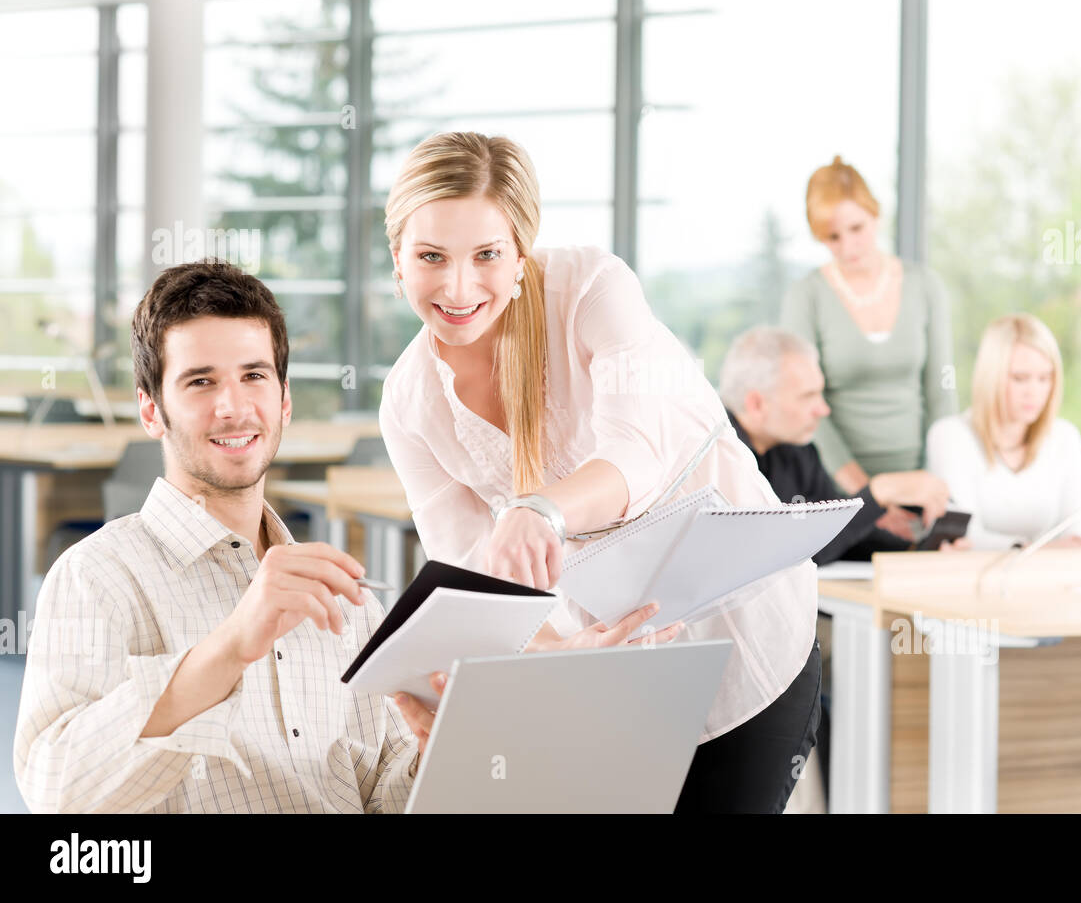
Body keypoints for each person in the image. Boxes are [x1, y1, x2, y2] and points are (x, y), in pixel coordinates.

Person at [379, 131, 820, 814]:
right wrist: (559, 650)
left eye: (487, 255)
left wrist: (539, 509)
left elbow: (635, 454)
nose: (458, 287)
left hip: (743, 633)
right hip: (607, 668)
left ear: (520, 253)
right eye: (431, 257)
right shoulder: (410, 404)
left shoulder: (590, 288)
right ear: (398, 260)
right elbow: (473, 580)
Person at [13, 259, 445, 813]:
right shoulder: (94, 577)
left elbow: (379, 792)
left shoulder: (340, 594)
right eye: (200, 381)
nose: (233, 407)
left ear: (284, 400)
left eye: (253, 375)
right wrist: (230, 647)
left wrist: (434, 756)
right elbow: (56, 793)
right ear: (151, 409)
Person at [780, 155, 957, 549]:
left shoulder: (925, 286)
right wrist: (872, 500)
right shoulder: (806, 296)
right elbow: (807, 406)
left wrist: (931, 486)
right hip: (839, 493)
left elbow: (941, 394)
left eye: (857, 228)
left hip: (919, 488)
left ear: (875, 215)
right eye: (832, 237)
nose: (848, 246)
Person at [718, 326, 951, 563]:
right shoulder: (717, 461)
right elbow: (792, 555)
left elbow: (839, 536)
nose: (823, 409)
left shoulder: (797, 450)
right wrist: (877, 493)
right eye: (807, 396)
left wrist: (922, 548)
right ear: (756, 404)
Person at [925, 313, 1081, 550]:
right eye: (1020, 378)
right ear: (992, 377)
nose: (1034, 392)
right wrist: (1038, 550)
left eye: (1044, 378)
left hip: (1049, 578)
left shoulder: (1065, 437)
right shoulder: (950, 436)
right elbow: (964, 538)